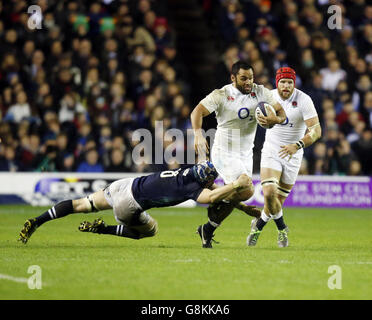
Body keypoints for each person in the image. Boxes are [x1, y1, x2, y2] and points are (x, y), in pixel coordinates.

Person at [18, 161, 260, 244]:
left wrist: (241, 207)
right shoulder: (193, 188)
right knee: (150, 231)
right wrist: (238, 185)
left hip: (124, 185)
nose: (213, 182)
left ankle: (38, 220)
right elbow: (212, 196)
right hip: (130, 204)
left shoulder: (189, 174)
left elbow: (214, 190)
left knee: (80, 204)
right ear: (205, 179)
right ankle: (104, 229)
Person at [191, 60, 287, 248]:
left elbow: (282, 113)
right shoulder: (222, 94)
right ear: (233, 78)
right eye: (243, 78)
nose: (248, 82)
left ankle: (208, 227)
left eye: (251, 78)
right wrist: (197, 133)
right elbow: (197, 112)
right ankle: (215, 200)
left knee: (239, 193)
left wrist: (275, 119)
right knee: (247, 188)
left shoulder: (260, 92)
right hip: (223, 151)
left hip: (245, 153)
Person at [247, 67, 321, 247]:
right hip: (272, 151)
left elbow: (316, 130)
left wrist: (297, 145)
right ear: (277, 82)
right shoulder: (268, 98)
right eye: (283, 82)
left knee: (276, 202)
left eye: (290, 82)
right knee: (269, 193)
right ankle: (282, 229)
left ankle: (259, 225)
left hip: (293, 155)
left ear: (294, 84)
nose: (286, 86)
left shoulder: (304, 100)